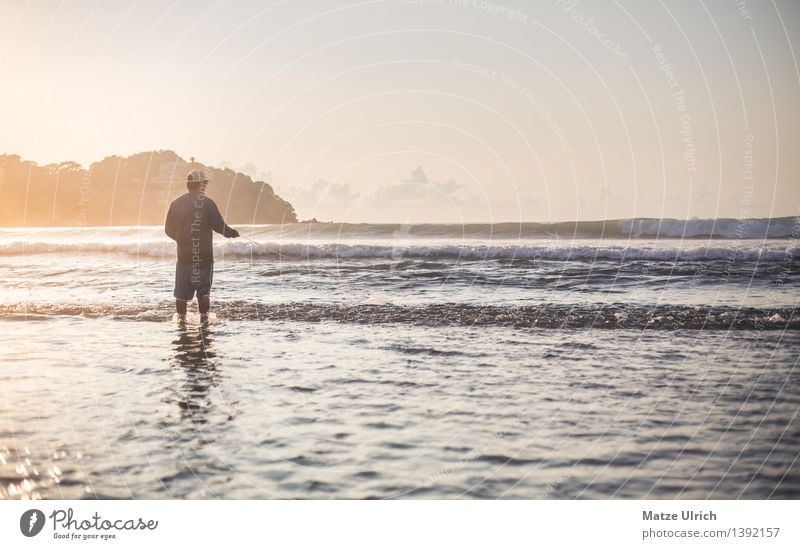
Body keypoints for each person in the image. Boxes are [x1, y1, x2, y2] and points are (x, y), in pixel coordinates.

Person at [165, 170, 240, 322]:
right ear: (199, 185)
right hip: (204, 258)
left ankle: (181, 322)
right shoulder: (207, 203)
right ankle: (204, 322)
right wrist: (232, 233)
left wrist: (182, 240)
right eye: (204, 183)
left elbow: (168, 230)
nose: (205, 186)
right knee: (203, 293)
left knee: (181, 295)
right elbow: (219, 226)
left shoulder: (175, 203)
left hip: (184, 257)